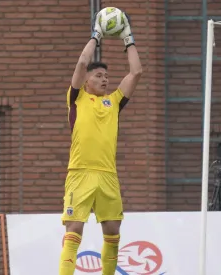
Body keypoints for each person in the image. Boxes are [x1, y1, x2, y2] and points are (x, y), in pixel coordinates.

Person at [58, 10, 142, 275]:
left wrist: (128, 38)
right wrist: (96, 35)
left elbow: (136, 72)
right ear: (86, 81)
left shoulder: (114, 102)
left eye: (106, 76)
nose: (104, 79)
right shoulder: (77, 98)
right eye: (99, 76)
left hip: (107, 175)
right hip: (80, 173)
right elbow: (82, 63)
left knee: (113, 232)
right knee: (74, 229)